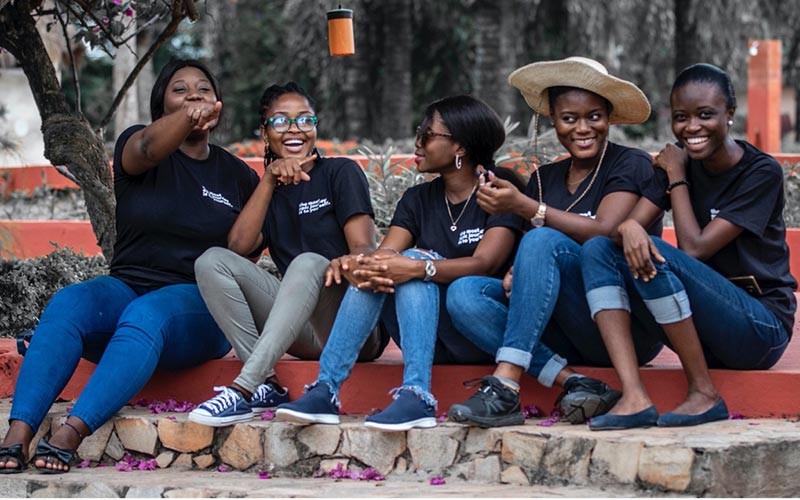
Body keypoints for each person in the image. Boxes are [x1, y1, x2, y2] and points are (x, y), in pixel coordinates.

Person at [0, 60, 257, 474]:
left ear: (219, 104)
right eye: (180, 90)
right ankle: (18, 434)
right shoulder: (136, 147)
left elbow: (249, 248)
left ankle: (70, 434)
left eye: (203, 90)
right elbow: (151, 148)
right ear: (161, 106)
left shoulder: (236, 175)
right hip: (128, 288)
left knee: (147, 312)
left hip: (201, 308)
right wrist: (184, 119)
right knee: (70, 302)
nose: (194, 96)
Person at [275, 95, 525, 431]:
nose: (417, 141)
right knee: (385, 267)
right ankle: (326, 389)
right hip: (429, 334)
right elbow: (385, 255)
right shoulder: (417, 199)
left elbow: (485, 262)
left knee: (411, 261)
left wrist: (422, 267)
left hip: (480, 328)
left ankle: (418, 394)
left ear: (460, 147)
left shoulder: (498, 188)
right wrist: (358, 264)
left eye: (428, 134)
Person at [445, 56, 664, 427]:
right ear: (553, 121)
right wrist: (518, 272)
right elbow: (533, 252)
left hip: (624, 324)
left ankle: (505, 386)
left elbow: (608, 229)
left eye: (594, 116)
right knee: (465, 294)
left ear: (609, 117)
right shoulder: (545, 178)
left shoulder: (631, 163)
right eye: (569, 118)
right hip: (564, 324)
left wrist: (528, 207)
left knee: (544, 238)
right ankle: (575, 381)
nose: (583, 128)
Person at [581, 63, 796, 430]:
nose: (691, 127)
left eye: (705, 115)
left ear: (730, 115)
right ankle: (634, 395)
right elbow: (623, 231)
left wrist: (676, 177)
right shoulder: (674, 165)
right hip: (701, 326)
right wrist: (631, 225)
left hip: (759, 327)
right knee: (597, 249)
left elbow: (694, 249)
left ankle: (704, 393)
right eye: (681, 117)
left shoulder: (760, 173)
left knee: (649, 250)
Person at [188, 82, 387, 427]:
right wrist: (267, 182)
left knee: (308, 261)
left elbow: (365, 250)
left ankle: (243, 387)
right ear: (265, 135)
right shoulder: (268, 192)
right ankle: (265, 386)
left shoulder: (340, 173)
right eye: (280, 121)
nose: (294, 129)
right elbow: (237, 248)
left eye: (304, 120)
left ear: (315, 129)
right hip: (303, 330)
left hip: (354, 325)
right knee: (211, 261)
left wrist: (345, 263)